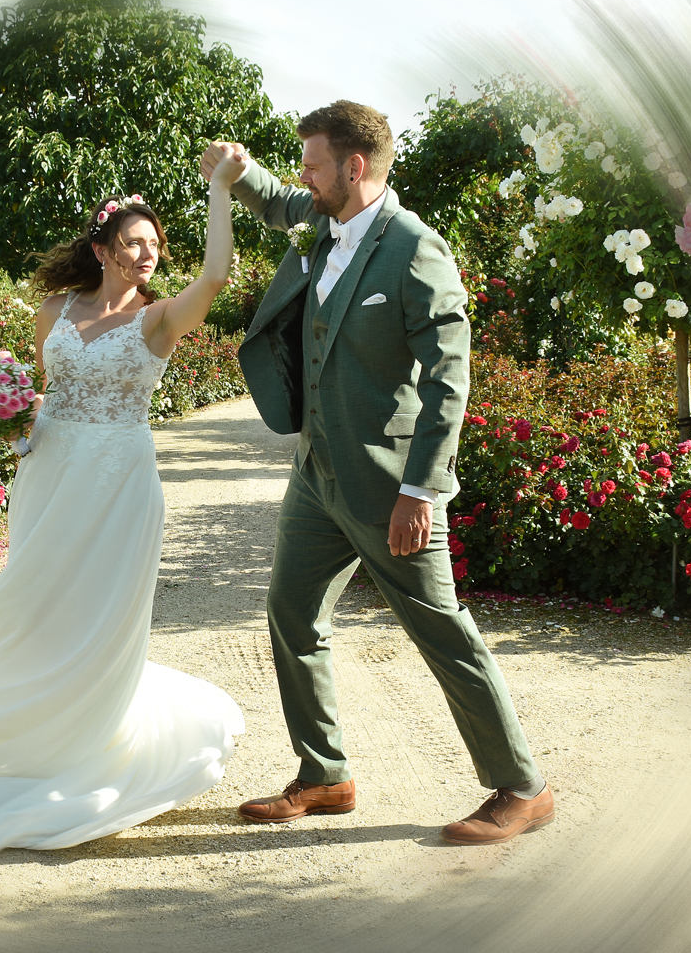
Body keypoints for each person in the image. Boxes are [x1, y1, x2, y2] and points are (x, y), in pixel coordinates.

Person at [204, 100, 554, 845]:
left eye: (313, 165)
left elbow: (448, 383)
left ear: (354, 166)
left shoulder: (415, 250)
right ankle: (324, 774)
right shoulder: (323, 216)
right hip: (317, 473)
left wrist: (420, 491)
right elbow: (277, 199)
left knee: (441, 630)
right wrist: (238, 171)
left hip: (390, 483)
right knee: (292, 613)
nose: (304, 178)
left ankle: (524, 787)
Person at [0, 148, 252, 857]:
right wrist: (2, 415)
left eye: (155, 244)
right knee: (42, 605)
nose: (148, 254)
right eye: (135, 242)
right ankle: (42, 746)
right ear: (102, 250)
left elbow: (216, 275)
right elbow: (48, 394)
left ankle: (93, 750)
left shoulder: (160, 320)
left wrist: (221, 187)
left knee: (101, 610)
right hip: (49, 473)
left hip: (120, 481)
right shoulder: (54, 312)